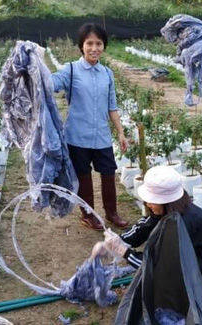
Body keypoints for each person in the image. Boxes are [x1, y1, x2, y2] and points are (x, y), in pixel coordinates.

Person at [94, 166, 202, 305]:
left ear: (167, 201)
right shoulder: (172, 209)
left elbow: (157, 268)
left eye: (153, 201)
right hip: (198, 265)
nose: (148, 204)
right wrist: (119, 240)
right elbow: (145, 225)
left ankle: (191, 303)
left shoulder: (182, 225)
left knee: (160, 281)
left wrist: (124, 252)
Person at [51, 23, 130, 231]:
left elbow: (112, 106)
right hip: (77, 136)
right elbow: (52, 83)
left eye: (99, 43)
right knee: (83, 176)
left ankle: (112, 213)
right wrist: (35, 68)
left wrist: (120, 132)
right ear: (81, 46)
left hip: (102, 135)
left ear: (104, 46)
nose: (94, 48)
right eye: (89, 43)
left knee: (108, 173)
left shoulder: (107, 74)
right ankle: (88, 214)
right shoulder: (70, 70)